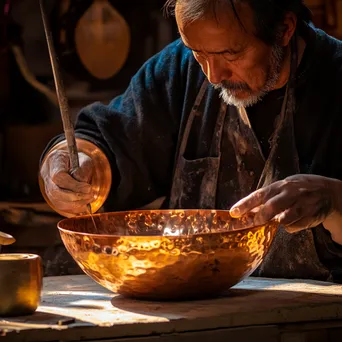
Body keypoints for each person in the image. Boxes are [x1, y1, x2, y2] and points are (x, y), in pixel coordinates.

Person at [40, 0, 342, 282]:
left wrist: (334, 198)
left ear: (284, 29)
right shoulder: (179, 69)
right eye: (199, 54)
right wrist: (76, 166)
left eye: (230, 55)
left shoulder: (335, 75)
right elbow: (106, 141)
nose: (212, 76)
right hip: (196, 308)